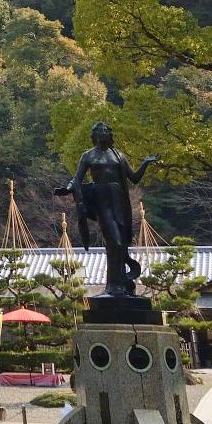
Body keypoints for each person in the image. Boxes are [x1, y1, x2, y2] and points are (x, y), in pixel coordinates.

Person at [55, 121, 159, 297]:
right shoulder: (88, 156)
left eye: (106, 130)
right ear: (94, 136)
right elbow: (77, 178)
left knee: (122, 243)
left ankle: (122, 285)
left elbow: (133, 178)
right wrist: (67, 189)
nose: (103, 133)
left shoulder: (118, 155)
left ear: (110, 134)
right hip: (101, 199)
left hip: (119, 198)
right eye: (99, 131)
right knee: (114, 241)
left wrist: (146, 163)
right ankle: (112, 285)